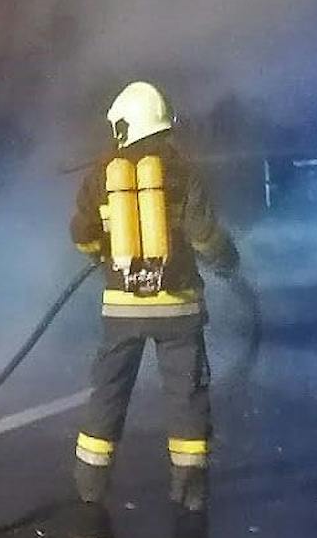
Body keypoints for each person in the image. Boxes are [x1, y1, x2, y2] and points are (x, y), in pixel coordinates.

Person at [69, 81, 239, 512]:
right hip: (179, 309)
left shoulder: (102, 175)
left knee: (108, 392)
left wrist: (103, 252)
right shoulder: (183, 171)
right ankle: (189, 492)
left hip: (121, 308)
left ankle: (90, 485)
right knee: (186, 397)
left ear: (125, 125)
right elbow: (205, 237)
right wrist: (228, 261)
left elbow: (82, 236)